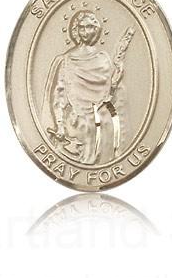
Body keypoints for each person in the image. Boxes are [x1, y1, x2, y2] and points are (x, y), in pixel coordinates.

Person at [42, 10, 126, 165]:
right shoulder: (66, 60)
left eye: (89, 27)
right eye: (81, 27)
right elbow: (59, 96)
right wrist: (60, 125)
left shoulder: (103, 58)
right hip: (78, 123)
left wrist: (117, 76)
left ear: (96, 29)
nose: (85, 32)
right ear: (76, 30)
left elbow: (109, 94)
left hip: (105, 123)